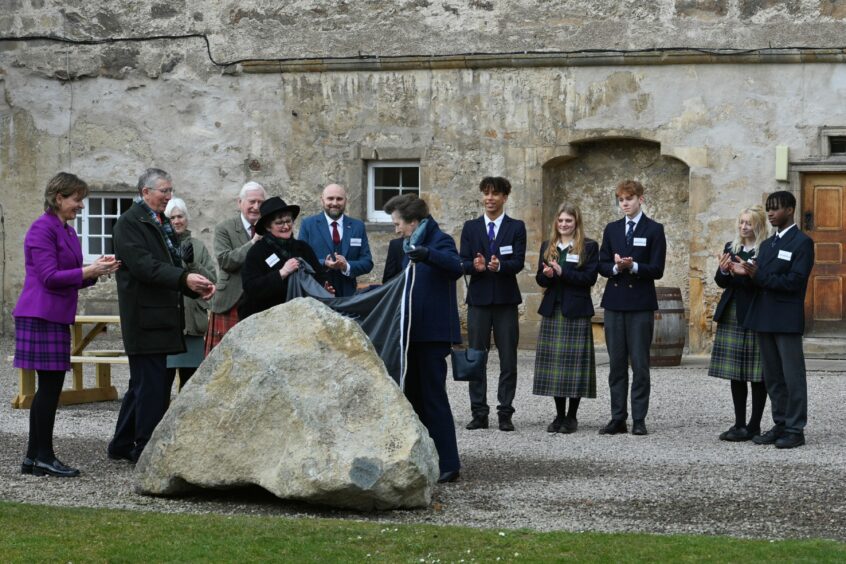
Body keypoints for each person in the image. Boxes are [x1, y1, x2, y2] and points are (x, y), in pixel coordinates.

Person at [13, 173, 120, 477]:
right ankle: (41, 456)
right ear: (58, 198)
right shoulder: (40, 230)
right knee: (49, 389)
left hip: (56, 315)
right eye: (76, 199)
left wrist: (98, 270)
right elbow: (49, 278)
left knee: (50, 388)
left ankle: (34, 458)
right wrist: (89, 270)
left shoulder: (67, 232)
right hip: (39, 315)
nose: (81, 205)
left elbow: (71, 278)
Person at [108, 168, 216, 463]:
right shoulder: (129, 224)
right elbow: (146, 267)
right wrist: (185, 280)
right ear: (146, 192)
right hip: (144, 318)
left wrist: (194, 287)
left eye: (170, 191)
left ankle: (121, 444)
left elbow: (173, 265)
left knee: (142, 384)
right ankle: (145, 450)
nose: (169, 197)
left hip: (160, 317)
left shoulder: (159, 221)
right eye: (164, 191)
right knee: (152, 388)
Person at [384, 193, 462, 484]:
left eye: (397, 224)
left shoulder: (439, 240)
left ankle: (449, 463)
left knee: (434, 397)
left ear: (414, 221)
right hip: (407, 332)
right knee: (412, 397)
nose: (395, 229)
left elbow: (456, 267)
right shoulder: (400, 246)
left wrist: (427, 254)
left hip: (432, 333)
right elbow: (392, 284)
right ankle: (420, 458)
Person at [738, 191, 814, 449]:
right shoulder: (768, 245)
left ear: (790, 210)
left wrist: (759, 276)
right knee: (773, 377)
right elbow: (758, 274)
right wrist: (742, 271)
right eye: (768, 209)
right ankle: (780, 423)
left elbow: (794, 281)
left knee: (793, 377)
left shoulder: (802, 243)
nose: (770, 213)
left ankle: (795, 429)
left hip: (787, 318)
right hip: (765, 317)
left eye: (775, 209)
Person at [597, 179, 666, 436]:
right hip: (615, 303)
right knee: (616, 364)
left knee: (639, 364)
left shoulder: (654, 230)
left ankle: (639, 418)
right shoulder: (612, 229)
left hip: (640, 304)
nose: (624, 203)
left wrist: (634, 266)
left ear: (641, 199)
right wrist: (615, 267)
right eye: (621, 199)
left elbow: (657, 269)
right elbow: (602, 264)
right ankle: (618, 417)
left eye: (629, 198)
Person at [459, 176, 526, 432]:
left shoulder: (516, 227)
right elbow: (462, 262)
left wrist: (501, 266)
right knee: (476, 358)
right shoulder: (471, 227)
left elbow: (518, 261)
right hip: (478, 300)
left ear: (504, 198)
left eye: (495, 194)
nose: (489, 198)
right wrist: (473, 267)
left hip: (506, 301)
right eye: (486, 193)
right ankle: (479, 412)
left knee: (508, 359)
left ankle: (505, 412)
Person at [533, 203, 599, 434]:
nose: (563, 225)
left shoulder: (588, 246)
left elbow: (590, 278)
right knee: (555, 367)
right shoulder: (548, 245)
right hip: (553, 310)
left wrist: (563, 272)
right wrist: (548, 275)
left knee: (575, 366)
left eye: (568, 221)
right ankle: (559, 415)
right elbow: (540, 280)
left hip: (576, 310)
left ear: (576, 222)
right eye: (560, 221)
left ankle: (572, 417)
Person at [708, 205, 768, 441]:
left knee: (757, 373)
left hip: (756, 311)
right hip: (732, 312)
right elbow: (720, 282)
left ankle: (754, 426)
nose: (743, 227)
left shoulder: (765, 251)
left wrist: (743, 273)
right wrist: (725, 271)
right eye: (741, 222)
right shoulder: (731, 248)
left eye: (749, 223)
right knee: (736, 372)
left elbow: (762, 283)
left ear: (759, 225)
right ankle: (739, 423)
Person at [239, 196, 331, 320]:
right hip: (265, 319)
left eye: (289, 221)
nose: (286, 226)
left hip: (301, 317)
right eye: (279, 223)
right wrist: (282, 273)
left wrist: (324, 288)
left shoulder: (303, 248)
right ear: (268, 227)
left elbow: (319, 275)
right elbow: (251, 287)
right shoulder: (257, 252)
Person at [204, 181, 266, 353]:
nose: (256, 207)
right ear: (240, 203)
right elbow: (225, 261)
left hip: (259, 302)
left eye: (260, 203)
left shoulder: (269, 229)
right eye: (251, 202)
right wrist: (253, 242)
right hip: (231, 300)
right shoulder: (225, 228)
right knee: (223, 358)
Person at [165, 198, 217, 390]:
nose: (177, 221)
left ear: (186, 219)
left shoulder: (198, 246)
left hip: (193, 324)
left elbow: (212, 279)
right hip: (170, 324)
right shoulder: (161, 245)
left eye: (180, 216)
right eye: (172, 218)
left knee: (190, 387)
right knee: (163, 383)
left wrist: (193, 264)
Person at [298, 183, 373, 297]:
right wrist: (324, 263)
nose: (335, 203)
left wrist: (346, 266)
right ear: (322, 200)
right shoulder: (308, 224)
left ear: (345, 201)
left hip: (348, 294)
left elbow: (367, 263)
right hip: (317, 293)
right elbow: (301, 260)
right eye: (330, 198)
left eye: (339, 199)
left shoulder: (358, 226)